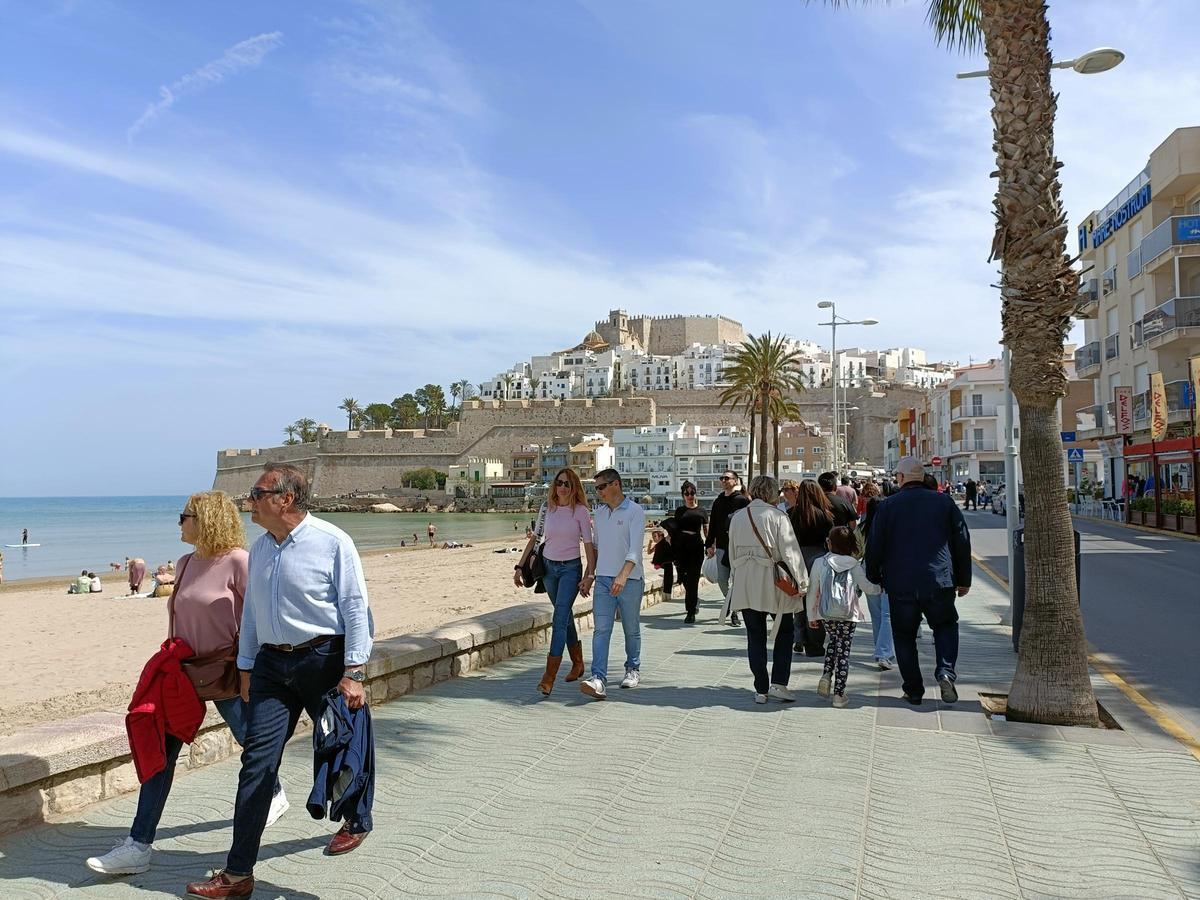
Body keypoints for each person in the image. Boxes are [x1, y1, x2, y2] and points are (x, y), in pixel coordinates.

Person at [186, 464, 374, 898]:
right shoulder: (261, 547)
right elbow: (252, 613)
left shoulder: (333, 543)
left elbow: (355, 608)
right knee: (256, 763)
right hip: (272, 667)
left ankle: (358, 819)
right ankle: (238, 875)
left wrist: (354, 673)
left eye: (256, 493)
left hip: (324, 661)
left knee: (345, 748)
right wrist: (247, 668)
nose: (248, 500)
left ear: (284, 499)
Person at [87, 491, 284, 877]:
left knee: (252, 743)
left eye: (185, 516)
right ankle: (138, 846)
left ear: (206, 519)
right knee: (162, 757)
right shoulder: (186, 561)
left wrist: (250, 672)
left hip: (228, 672)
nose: (179, 522)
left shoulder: (239, 562)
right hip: (183, 675)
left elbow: (257, 621)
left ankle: (274, 791)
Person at [865, 456, 971, 706]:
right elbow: (962, 542)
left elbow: (875, 545)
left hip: (900, 583)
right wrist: (963, 580)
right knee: (944, 626)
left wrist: (875, 577)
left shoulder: (888, 506)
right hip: (939, 580)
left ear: (900, 478)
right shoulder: (944, 502)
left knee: (903, 636)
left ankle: (913, 690)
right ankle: (945, 672)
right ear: (922, 477)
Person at [513, 468, 596, 696]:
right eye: (559, 483)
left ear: (574, 487)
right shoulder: (546, 508)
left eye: (567, 484)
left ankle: (549, 677)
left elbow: (589, 548)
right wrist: (519, 566)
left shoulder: (580, 511)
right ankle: (578, 663)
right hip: (548, 569)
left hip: (570, 570)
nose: (562, 487)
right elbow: (535, 539)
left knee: (559, 617)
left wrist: (589, 575)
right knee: (564, 614)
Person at [726, 475, 807, 704]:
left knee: (755, 635)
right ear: (773, 493)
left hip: (745, 581)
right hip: (773, 583)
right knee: (784, 631)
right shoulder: (778, 517)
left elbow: (732, 554)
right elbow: (791, 552)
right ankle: (779, 683)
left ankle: (760, 688)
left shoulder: (738, 517)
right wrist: (802, 582)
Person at [579, 469, 645, 701]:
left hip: (630, 580)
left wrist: (623, 576)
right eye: (596, 488)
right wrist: (589, 576)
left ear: (615, 484)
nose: (598, 493)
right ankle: (598, 679)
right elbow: (595, 549)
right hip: (604, 580)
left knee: (631, 628)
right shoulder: (599, 513)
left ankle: (632, 669)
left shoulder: (635, 511)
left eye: (601, 487)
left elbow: (635, 549)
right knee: (601, 630)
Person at [806, 526, 881, 707]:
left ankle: (826, 674)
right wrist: (881, 588)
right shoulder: (853, 564)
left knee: (833, 642)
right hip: (848, 615)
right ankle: (839, 695)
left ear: (829, 543)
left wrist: (811, 615)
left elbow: (812, 591)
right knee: (843, 652)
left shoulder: (820, 562)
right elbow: (867, 587)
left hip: (827, 613)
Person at [787, 480, 834, 657]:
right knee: (815, 602)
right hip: (819, 558)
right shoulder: (824, 515)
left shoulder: (793, 514)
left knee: (800, 600)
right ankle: (815, 644)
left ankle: (799, 638)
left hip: (798, 558)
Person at [706, 470, 750, 627]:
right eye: (722, 478)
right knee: (723, 580)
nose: (724, 480)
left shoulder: (743, 501)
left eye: (727, 478)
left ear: (736, 480)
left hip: (739, 547)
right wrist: (709, 544)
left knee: (738, 581)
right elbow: (713, 524)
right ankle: (732, 604)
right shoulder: (718, 501)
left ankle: (734, 612)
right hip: (722, 546)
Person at [858, 498, 895, 670]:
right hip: (886, 571)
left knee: (876, 615)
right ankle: (883, 652)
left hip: (867, 570)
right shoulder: (889, 529)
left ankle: (881, 649)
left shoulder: (862, 527)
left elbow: (855, 551)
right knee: (888, 614)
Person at [666, 480, 708, 624]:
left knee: (693, 579)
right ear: (683, 495)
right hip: (681, 547)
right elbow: (674, 529)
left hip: (696, 546)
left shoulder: (702, 511)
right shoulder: (680, 511)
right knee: (683, 578)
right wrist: (668, 540)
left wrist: (711, 546)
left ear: (695, 493)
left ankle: (690, 612)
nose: (690, 496)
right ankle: (694, 600)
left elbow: (706, 532)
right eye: (687, 493)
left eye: (692, 493)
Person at [648, 529, 674, 598]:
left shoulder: (665, 543)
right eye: (653, 537)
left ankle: (667, 592)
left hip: (666, 563)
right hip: (662, 564)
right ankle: (667, 592)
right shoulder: (657, 545)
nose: (653, 538)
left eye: (655, 536)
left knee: (668, 575)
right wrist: (649, 543)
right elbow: (649, 552)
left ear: (660, 537)